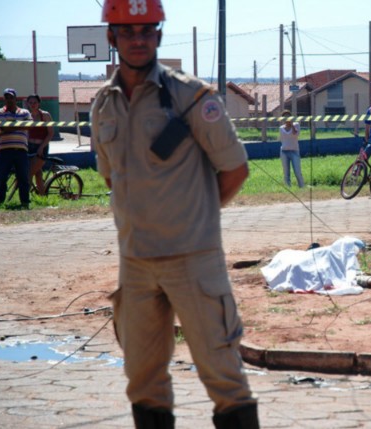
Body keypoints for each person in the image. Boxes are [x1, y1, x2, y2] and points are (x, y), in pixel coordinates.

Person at [90, 1, 258, 428]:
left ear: (159, 35)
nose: (138, 39)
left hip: (193, 260)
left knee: (224, 377)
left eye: (147, 30)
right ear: (112, 37)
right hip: (136, 263)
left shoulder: (191, 97)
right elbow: (113, 179)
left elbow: (235, 168)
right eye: (127, 32)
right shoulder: (103, 107)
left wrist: (194, 218)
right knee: (143, 382)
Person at [0, 88, 32, 208]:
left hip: (21, 150)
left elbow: (30, 125)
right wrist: (21, 125)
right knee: (1, 177)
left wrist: (11, 125)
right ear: (4, 99)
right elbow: (3, 128)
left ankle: (25, 202)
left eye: (11, 97)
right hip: (5, 150)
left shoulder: (25, 112)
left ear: (16, 99)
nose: (9, 100)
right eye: (7, 97)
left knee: (23, 178)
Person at [26, 94, 54, 195]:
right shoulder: (27, 116)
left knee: (29, 173)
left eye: (35, 102)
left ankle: (25, 199)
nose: (33, 105)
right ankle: (42, 196)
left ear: (39, 103)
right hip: (29, 147)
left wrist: (41, 147)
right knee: (38, 173)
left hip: (41, 147)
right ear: (27, 104)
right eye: (31, 103)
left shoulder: (45, 115)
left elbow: (51, 133)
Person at [279, 109, 304, 188]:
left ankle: (302, 186)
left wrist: (292, 125)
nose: (287, 119)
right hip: (284, 152)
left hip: (294, 151)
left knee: (297, 171)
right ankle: (288, 187)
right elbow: (282, 139)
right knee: (286, 172)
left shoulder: (296, 125)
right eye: (285, 118)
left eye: (288, 117)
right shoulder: (281, 128)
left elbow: (295, 134)